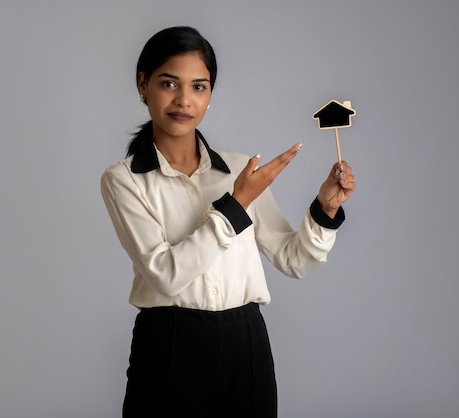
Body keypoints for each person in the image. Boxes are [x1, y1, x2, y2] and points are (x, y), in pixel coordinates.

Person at [101, 26, 355, 418]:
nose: (184, 100)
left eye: (199, 87)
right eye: (169, 83)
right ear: (142, 84)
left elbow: (294, 260)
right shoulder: (124, 179)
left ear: (210, 95)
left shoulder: (238, 169)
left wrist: (325, 210)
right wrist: (236, 205)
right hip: (170, 342)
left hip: (246, 342)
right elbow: (165, 274)